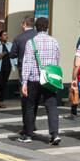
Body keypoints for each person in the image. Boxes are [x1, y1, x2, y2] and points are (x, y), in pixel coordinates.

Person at [19, 16, 61, 146]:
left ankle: (28, 135)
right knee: (52, 106)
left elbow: (27, 63)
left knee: (30, 106)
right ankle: (54, 134)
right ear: (47, 27)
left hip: (34, 79)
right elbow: (57, 60)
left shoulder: (31, 42)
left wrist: (24, 82)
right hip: (49, 79)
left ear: (36, 28)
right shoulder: (54, 42)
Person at [10, 16, 36, 135]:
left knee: (25, 99)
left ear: (24, 24)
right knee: (35, 98)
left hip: (24, 71)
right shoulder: (38, 36)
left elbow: (12, 54)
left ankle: (27, 126)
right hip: (38, 72)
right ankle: (33, 123)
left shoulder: (19, 38)